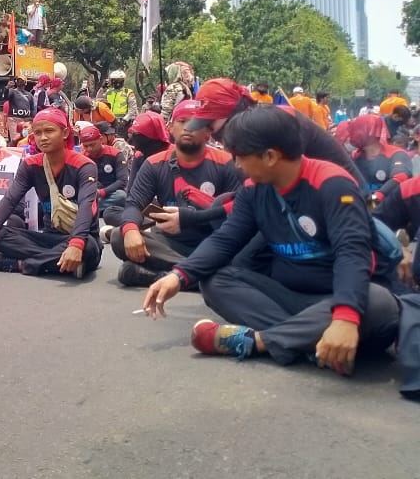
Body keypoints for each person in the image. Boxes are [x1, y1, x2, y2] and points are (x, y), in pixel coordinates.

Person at [141, 106, 400, 374]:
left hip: (339, 295)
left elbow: (352, 253)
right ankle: (309, 341)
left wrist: (346, 317)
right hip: (290, 298)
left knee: (380, 303)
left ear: (270, 156)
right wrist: (179, 276)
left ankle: (260, 342)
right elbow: (226, 239)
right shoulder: (253, 191)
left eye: (241, 157)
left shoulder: (332, 184)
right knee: (216, 281)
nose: (237, 165)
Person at [111, 100, 244, 287]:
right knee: (119, 236)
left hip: (215, 242)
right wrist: (131, 229)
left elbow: (240, 214)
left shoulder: (227, 163)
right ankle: (205, 276)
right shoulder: (154, 164)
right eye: (182, 121)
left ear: (208, 132)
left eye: (196, 123)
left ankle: (166, 277)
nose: (188, 128)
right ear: (170, 128)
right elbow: (133, 204)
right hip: (171, 244)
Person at [0, 108, 101, 278]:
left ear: (64, 133)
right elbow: (10, 200)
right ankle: (59, 263)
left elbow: (87, 206)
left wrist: (76, 244)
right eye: (38, 132)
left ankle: (21, 264)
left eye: (49, 131)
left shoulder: (85, 166)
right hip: (48, 238)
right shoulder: (30, 165)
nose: (43, 137)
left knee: (90, 248)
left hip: (82, 238)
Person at [187, 77, 366, 188]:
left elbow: (269, 199)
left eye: (210, 123)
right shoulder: (253, 129)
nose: (209, 131)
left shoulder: (278, 123)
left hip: (345, 198)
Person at [340, 114, 412, 197]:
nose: (351, 135)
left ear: (369, 132)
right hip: (364, 205)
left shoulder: (396, 154)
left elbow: (400, 177)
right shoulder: (355, 156)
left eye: (355, 130)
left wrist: (377, 197)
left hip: (389, 206)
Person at [78, 122, 129, 212]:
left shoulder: (116, 154)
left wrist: (102, 192)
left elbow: (122, 181)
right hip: (92, 192)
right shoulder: (83, 157)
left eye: (92, 145)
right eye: (86, 146)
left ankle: (87, 210)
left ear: (100, 139)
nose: (89, 149)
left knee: (121, 196)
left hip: (111, 192)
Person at [98, 70, 138, 134]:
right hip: (109, 121)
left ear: (122, 81)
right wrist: (102, 88)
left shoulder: (128, 92)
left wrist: (125, 120)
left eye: (118, 80)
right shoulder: (108, 92)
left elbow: (132, 109)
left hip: (123, 123)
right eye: (114, 80)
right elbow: (98, 100)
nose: (116, 82)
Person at [4, 78, 34, 145]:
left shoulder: (29, 95)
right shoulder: (12, 92)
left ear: (25, 82)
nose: (20, 82)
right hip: (14, 119)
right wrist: (7, 88)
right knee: (15, 139)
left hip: (26, 120)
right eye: (18, 80)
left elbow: (32, 108)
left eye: (22, 80)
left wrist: (32, 119)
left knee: (26, 139)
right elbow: (5, 97)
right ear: (16, 82)